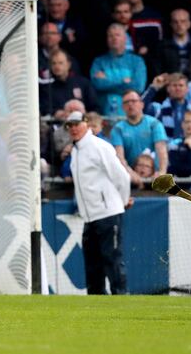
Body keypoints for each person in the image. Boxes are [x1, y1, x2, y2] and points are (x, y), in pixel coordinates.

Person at [65, 110, 132, 295]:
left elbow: (122, 177)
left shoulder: (99, 146)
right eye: (69, 126)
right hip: (89, 217)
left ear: (86, 123)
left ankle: (121, 299)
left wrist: (123, 201)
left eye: (76, 124)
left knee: (113, 260)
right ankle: (96, 305)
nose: (73, 128)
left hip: (108, 213)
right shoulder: (76, 151)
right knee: (92, 265)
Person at [111, 90, 169, 188]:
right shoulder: (118, 129)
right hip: (129, 178)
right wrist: (130, 173)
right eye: (126, 102)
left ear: (142, 104)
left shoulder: (154, 124)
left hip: (154, 178)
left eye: (133, 101)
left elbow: (162, 151)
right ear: (123, 107)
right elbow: (119, 156)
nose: (130, 104)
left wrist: (161, 172)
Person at [90, 24, 147, 117]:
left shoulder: (137, 61)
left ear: (125, 38)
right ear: (107, 39)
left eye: (117, 35)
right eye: (110, 36)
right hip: (105, 115)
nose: (114, 38)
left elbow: (138, 87)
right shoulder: (98, 62)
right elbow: (97, 84)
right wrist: (123, 82)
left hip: (131, 116)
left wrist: (107, 80)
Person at [156, 8, 191, 76]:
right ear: (171, 24)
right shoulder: (163, 46)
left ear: (189, 24)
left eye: (183, 21)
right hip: (172, 84)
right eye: (175, 22)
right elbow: (158, 69)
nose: (179, 25)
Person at [167, 109, 191, 178]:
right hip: (179, 183)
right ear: (182, 124)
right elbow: (172, 167)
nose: (189, 125)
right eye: (187, 122)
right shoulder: (174, 143)